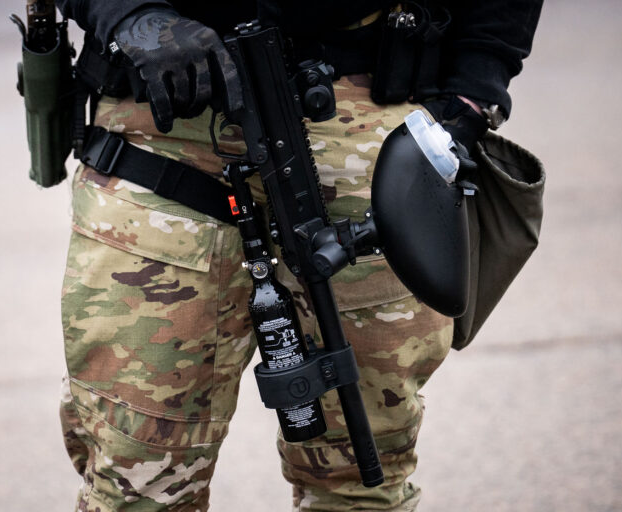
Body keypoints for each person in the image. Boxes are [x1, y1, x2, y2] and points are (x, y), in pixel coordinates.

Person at [52, 1, 543, 510]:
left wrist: (477, 87)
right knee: (137, 478)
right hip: (164, 118)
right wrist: (129, 13)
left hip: (362, 118)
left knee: (363, 481)